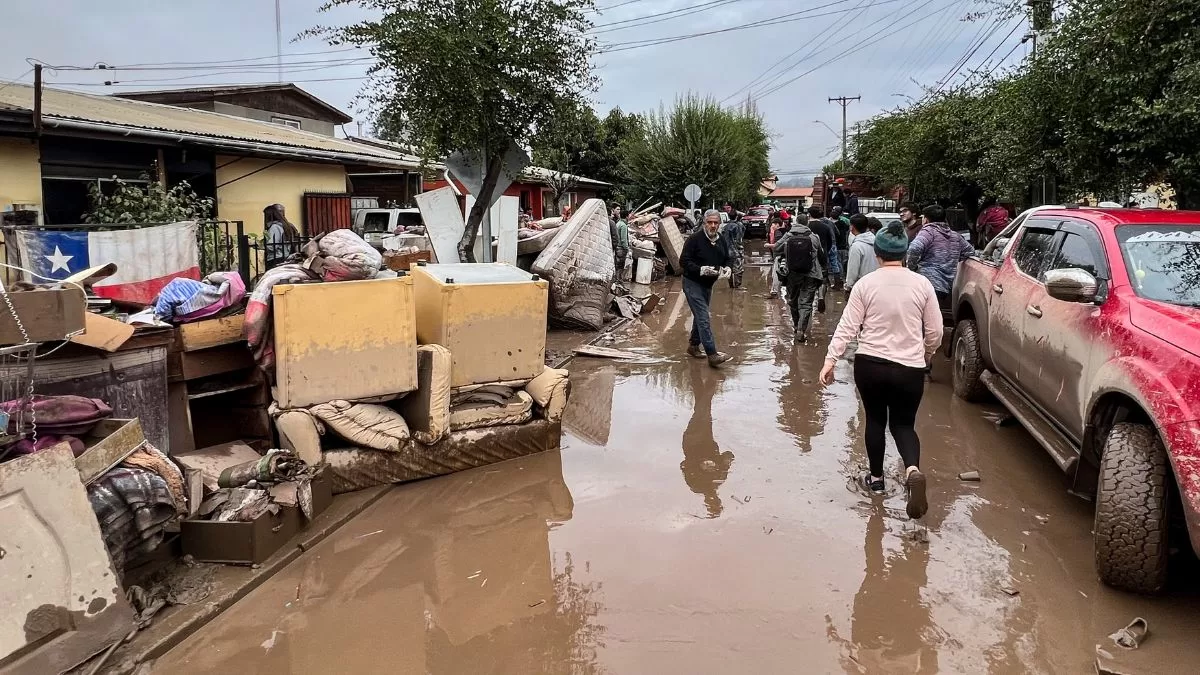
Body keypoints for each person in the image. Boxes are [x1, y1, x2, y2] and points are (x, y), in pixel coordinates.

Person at [819, 222, 942, 519]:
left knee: (874, 420)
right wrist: (927, 352)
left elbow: (847, 326)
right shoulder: (922, 284)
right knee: (903, 425)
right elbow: (935, 330)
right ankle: (912, 470)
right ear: (905, 254)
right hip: (909, 368)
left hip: (870, 365)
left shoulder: (866, 285)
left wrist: (830, 359)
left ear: (877, 253)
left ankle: (876, 482)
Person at [680, 210, 733, 367]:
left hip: (708, 284)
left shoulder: (721, 239)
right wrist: (700, 269)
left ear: (719, 224)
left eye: (716, 223)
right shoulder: (694, 239)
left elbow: (728, 257)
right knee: (704, 317)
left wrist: (728, 268)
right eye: (709, 222)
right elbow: (683, 261)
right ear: (704, 223)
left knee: (699, 316)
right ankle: (712, 354)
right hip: (692, 282)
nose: (713, 225)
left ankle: (694, 346)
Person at [907, 203, 975, 314]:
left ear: (926, 219)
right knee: (933, 316)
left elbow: (914, 248)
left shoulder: (928, 232)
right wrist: (954, 259)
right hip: (945, 287)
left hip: (926, 283)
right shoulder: (955, 236)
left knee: (920, 317)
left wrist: (912, 267)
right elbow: (970, 252)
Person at [774, 217, 825, 343]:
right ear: (807, 223)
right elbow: (821, 255)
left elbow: (776, 248)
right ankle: (801, 330)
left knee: (793, 301)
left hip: (792, 274)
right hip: (811, 274)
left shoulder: (788, 236)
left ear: (796, 222)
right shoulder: (814, 237)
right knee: (806, 304)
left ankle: (796, 326)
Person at [843, 214, 878, 292]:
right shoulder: (876, 241)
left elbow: (853, 269)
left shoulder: (856, 246)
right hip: (876, 283)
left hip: (862, 286)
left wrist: (849, 285)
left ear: (852, 227)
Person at [264, 203, 300, 268]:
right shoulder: (286, 225)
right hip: (285, 257)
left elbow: (271, 246)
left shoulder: (275, 227)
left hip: (275, 258)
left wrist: (264, 245)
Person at [723, 208, 746, 289]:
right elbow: (738, 240)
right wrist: (740, 251)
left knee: (729, 268)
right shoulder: (737, 226)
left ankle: (731, 285)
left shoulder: (725, 227)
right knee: (739, 269)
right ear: (736, 217)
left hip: (726, 250)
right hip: (734, 250)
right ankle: (738, 285)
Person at [610, 204, 630, 281]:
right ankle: (619, 280)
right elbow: (623, 239)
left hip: (617, 248)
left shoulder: (618, 223)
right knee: (621, 266)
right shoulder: (624, 226)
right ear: (627, 217)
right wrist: (626, 248)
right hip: (621, 248)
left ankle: (616, 280)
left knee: (617, 265)